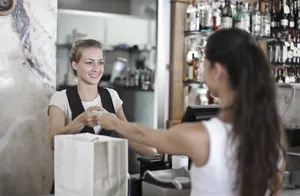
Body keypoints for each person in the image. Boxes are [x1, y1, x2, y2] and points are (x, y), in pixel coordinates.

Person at [97, 29, 287, 196]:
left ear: (218, 70)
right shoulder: (273, 133)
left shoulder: (202, 136)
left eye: (205, 64)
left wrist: (113, 122)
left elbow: (144, 135)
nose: (202, 72)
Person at [48, 39, 157, 193]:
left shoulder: (112, 96)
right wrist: (80, 120)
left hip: (107, 185)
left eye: (100, 62)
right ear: (75, 65)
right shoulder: (60, 98)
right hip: (72, 184)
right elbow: (54, 143)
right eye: (89, 62)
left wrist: (159, 158)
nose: (96, 69)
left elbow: (127, 136)